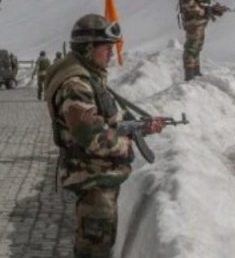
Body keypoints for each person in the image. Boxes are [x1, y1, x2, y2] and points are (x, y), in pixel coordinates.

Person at [44, 14, 166, 258]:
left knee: (98, 245)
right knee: (94, 250)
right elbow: (89, 135)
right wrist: (126, 143)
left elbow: (103, 120)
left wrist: (139, 127)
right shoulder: (77, 84)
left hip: (97, 178)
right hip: (92, 180)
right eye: (106, 48)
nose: (111, 54)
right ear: (89, 49)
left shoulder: (87, 76)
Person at [176, 0, 227, 81]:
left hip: (199, 21)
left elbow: (203, 3)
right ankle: (189, 76)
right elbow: (189, 5)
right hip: (193, 22)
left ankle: (196, 73)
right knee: (191, 48)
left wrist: (214, 10)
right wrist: (207, 11)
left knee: (197, 47)